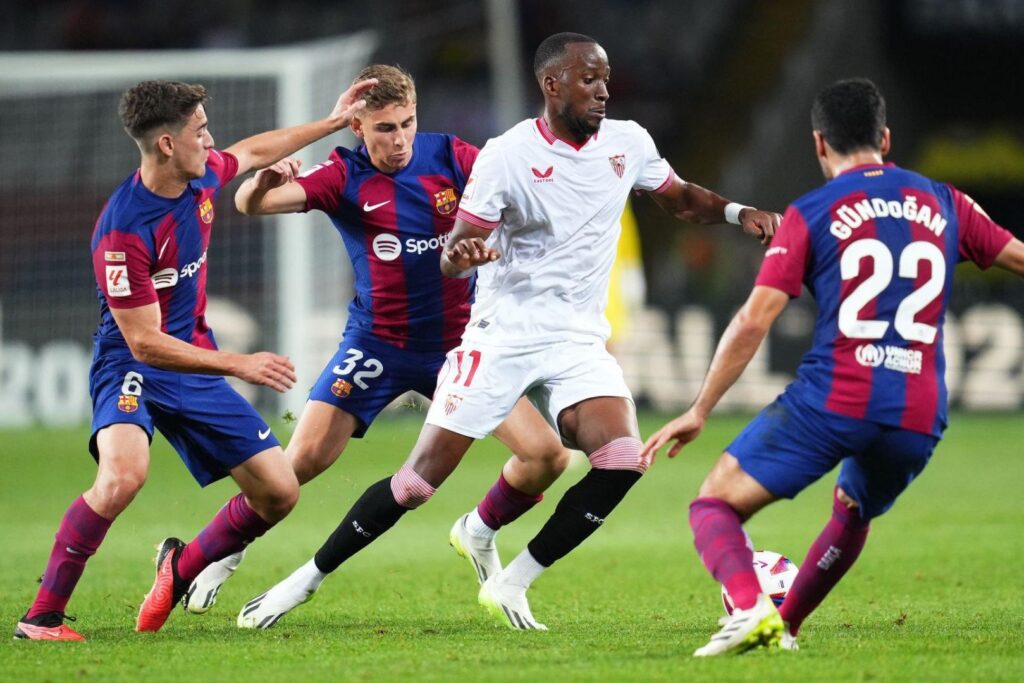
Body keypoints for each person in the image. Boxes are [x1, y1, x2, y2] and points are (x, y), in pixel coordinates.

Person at [227, 32, 777, 632]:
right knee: (414, 485)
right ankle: (302, 581)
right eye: (588, 79)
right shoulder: (507, 155)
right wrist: (465, 253)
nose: (602, 90)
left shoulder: (629, 142)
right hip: (501, 335)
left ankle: (511, 576)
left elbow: (679, 198)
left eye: (605, 77)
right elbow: (453, 253)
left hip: (576, 339)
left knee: (620, 460)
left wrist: (734, 212)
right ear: (552, 85)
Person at [641, 78, 1024, 656]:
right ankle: (785, 627)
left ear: (819, 144)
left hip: (837, 396)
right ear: (886, 138)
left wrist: (700, 409)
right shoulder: (946, 201)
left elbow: (753, 320)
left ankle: (750, 606)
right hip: (920, 412)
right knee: (852, 510)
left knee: (714, 503)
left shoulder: (813, 211)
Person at [182, 64, 571, 628]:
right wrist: (265, 182)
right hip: (377, 346)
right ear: (358, 129)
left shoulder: (453, 158)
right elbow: (249, 205)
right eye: (385, 128)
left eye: (407, 123)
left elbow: (522, 191)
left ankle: (478, 530)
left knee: (547, 456)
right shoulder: (342, 173)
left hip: (460, 350)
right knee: (294, 471)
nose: (400, 139)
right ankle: (226, 549)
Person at [13, 77, 378, 641]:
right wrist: (240, 364)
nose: (212, 142)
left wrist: (332, 124)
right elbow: (143, 343)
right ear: (166, 144)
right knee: (121, 477)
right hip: (132, 366)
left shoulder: (201, 177)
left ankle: (179, 568)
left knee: (279, 492)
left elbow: (255, 151)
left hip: (195, 362)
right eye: (201, 131)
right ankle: (41, 617)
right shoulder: (123, 231)